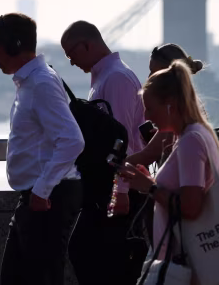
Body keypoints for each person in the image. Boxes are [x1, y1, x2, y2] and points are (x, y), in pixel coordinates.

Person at [0, 13, 84, 285]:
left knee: (41, 278)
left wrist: (42, 189)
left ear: (14, 45)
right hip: (37, 197)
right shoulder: (31, 81)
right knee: (16, 277)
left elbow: (73, 140)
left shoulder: (40, 82)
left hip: (49, 198)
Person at [118, 61, 219, 285]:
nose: (146, 116)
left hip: (184, 260)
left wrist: (150, 187)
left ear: (170, 104)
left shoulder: (190, 141)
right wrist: (149, 181)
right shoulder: (197, 134)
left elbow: (191, 207)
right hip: (189, 255)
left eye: (150, 108)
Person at [60, 21, 147, 285]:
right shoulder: (105, 77)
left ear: (87, 45)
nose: (71, 62)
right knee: (97, 257)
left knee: (99, 258)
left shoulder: (117, 78)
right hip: (106, 185)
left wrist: (118, 192)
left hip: (118, 188)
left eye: (71, 53)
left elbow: (122, 142)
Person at [126, 43, 204, 168]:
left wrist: (113, 166)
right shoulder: (190, 105)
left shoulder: (176, 111)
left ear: (168, 73)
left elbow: (147, 155)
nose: (149, 76)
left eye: (153, 71)